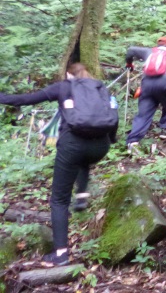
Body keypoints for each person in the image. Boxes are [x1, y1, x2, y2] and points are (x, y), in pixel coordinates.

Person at [0, 63, 116, 266]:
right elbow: (112, 116)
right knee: (85, 159)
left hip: (73, 145)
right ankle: (81, 194)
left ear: (67, 74)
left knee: (59, 200)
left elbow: (26, 99)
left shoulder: (63, 87)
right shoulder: (99, 86)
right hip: (101, 146)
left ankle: (61, 254)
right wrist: (111, 140)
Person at [125, 36, 166, 150]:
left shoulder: (148, 52)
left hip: (147, 84)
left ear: (157, 44)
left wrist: (129, 64)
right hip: (163, 84)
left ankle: (133, 141)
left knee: (143, 114)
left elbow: (131, 50)